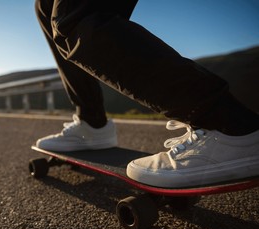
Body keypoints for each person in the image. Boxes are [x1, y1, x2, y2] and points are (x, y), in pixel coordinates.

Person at [34, 0, 259, 188]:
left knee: (74, 18)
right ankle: (91, 123)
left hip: (230, 126)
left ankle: (227, 124)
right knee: (45, 7)